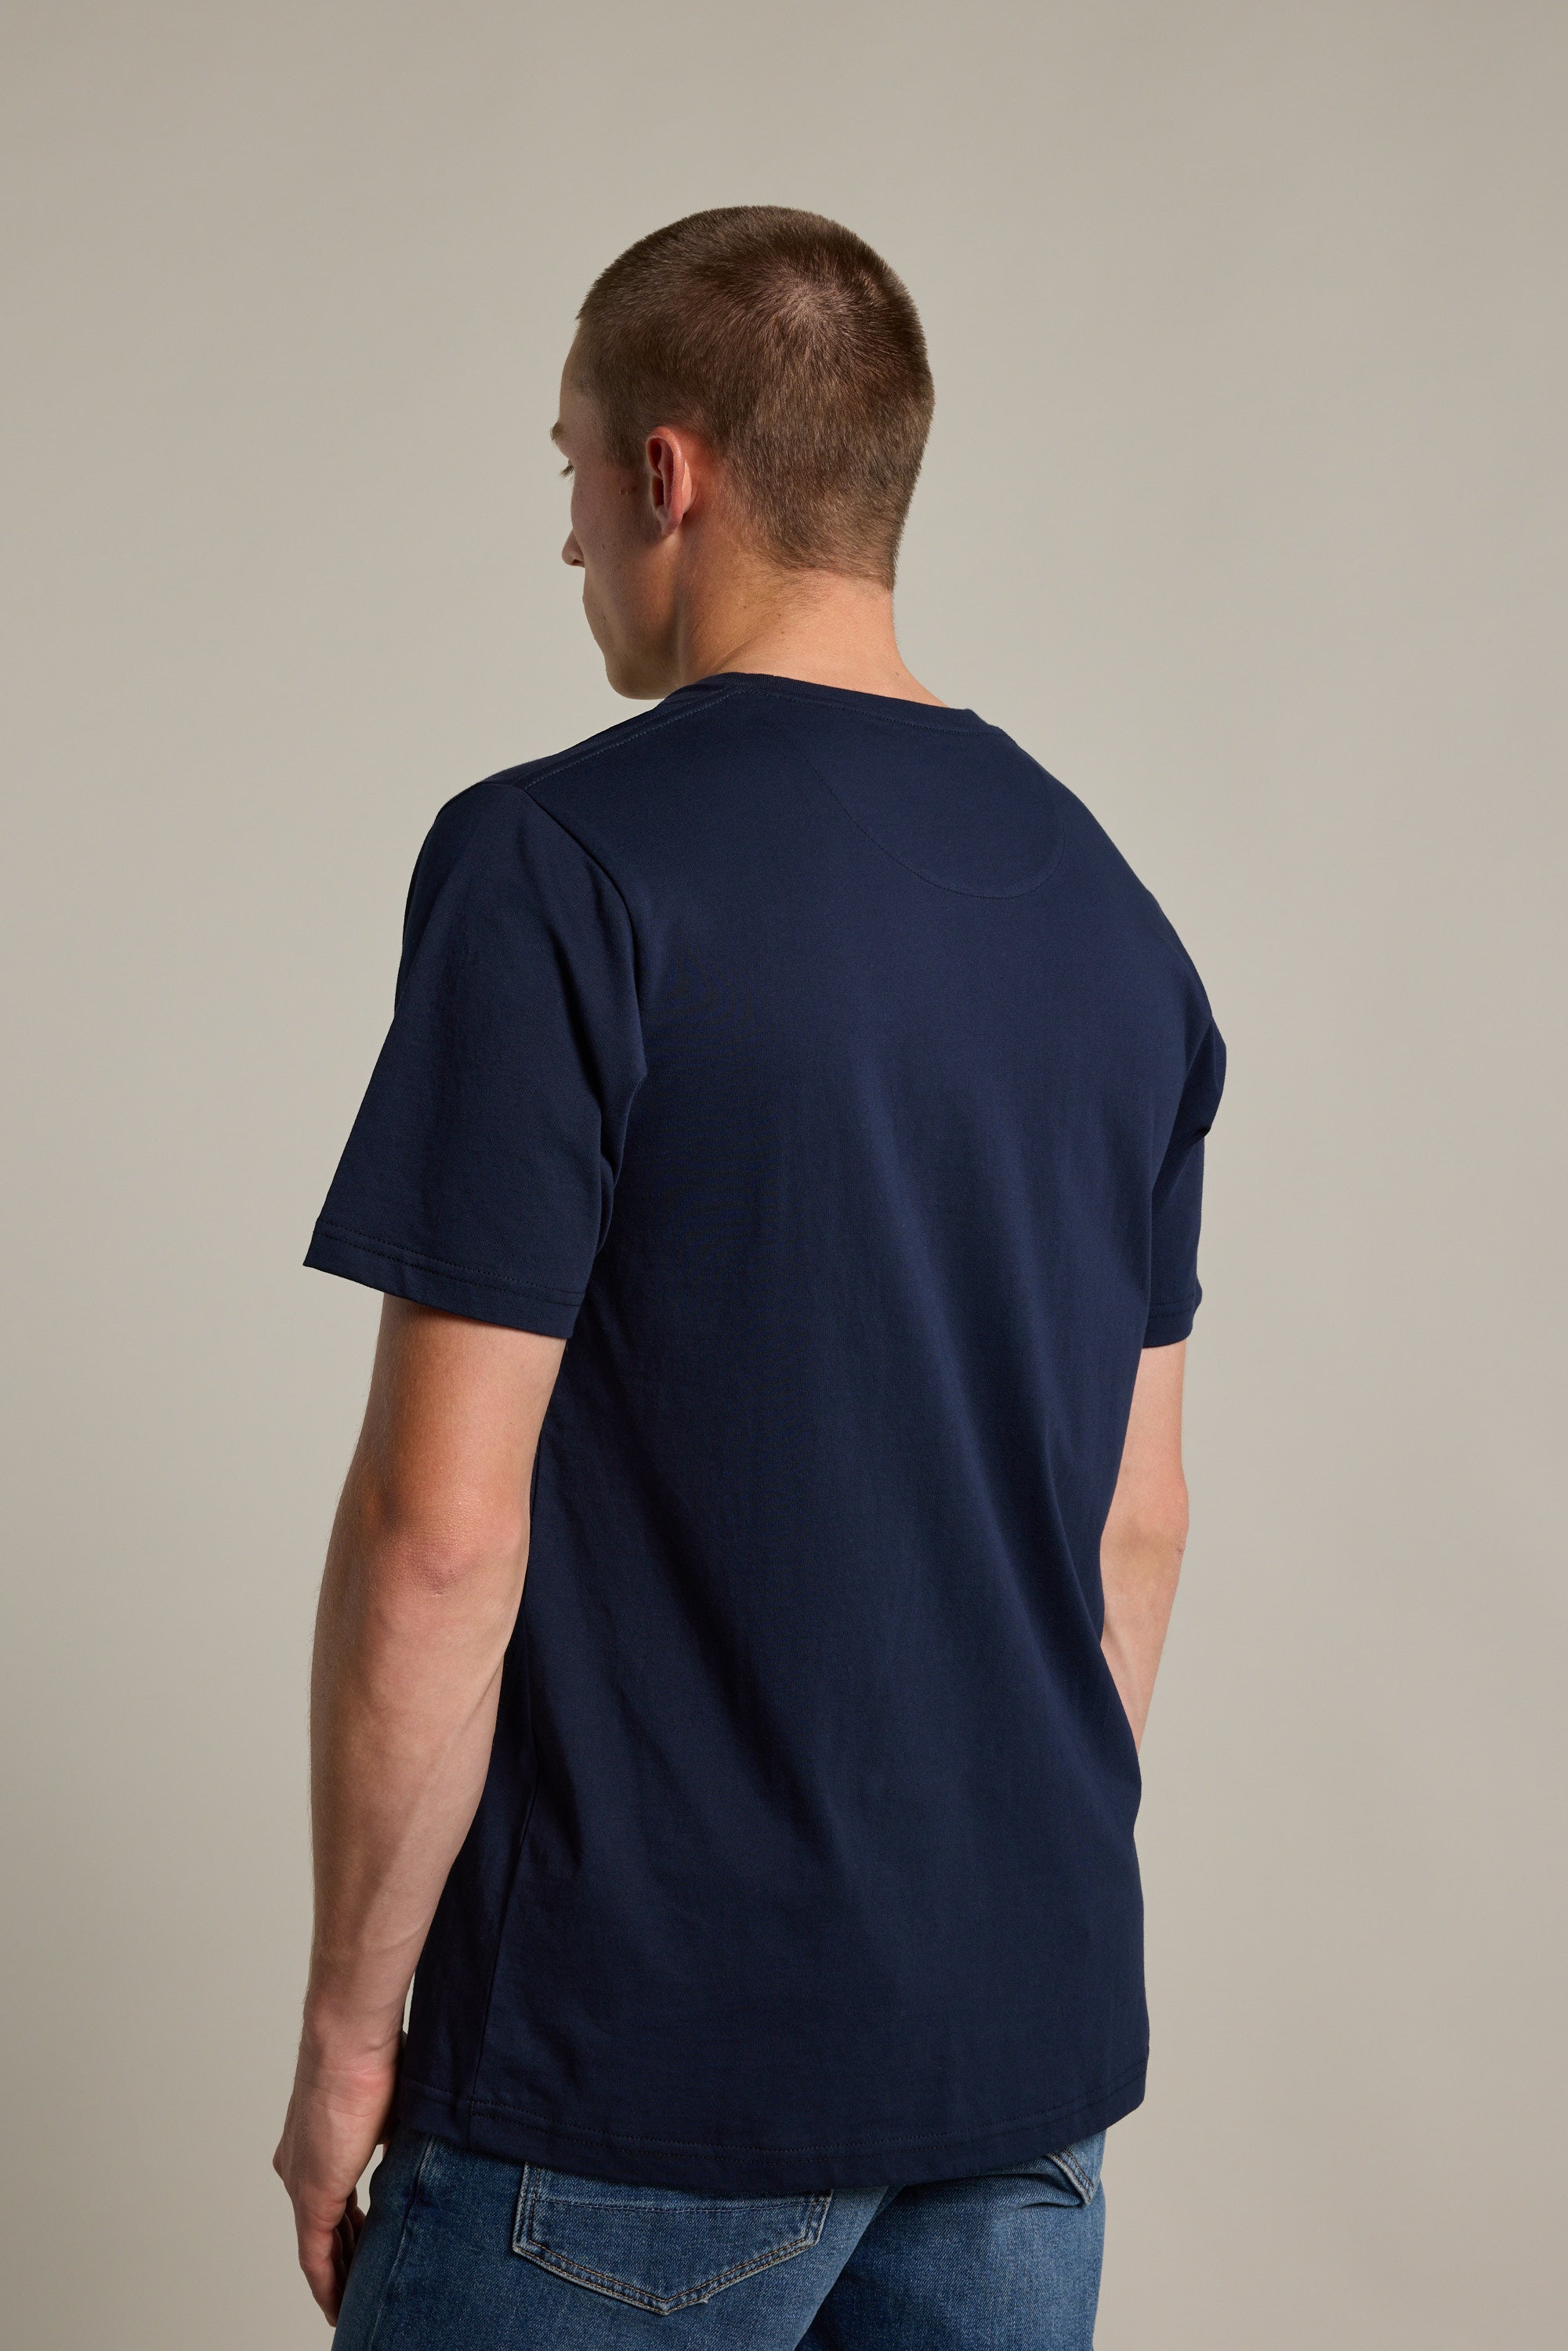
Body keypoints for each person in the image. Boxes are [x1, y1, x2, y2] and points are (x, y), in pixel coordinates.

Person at [273, 205, 1224, 2349]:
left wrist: (347, 2041)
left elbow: (441, 1536)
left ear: (666, 473)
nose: (567, 538)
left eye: (568, 471)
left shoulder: (557, 864)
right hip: (1021, 2064)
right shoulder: (1115, 918)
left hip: (632, 2073)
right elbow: (1137, 1522)